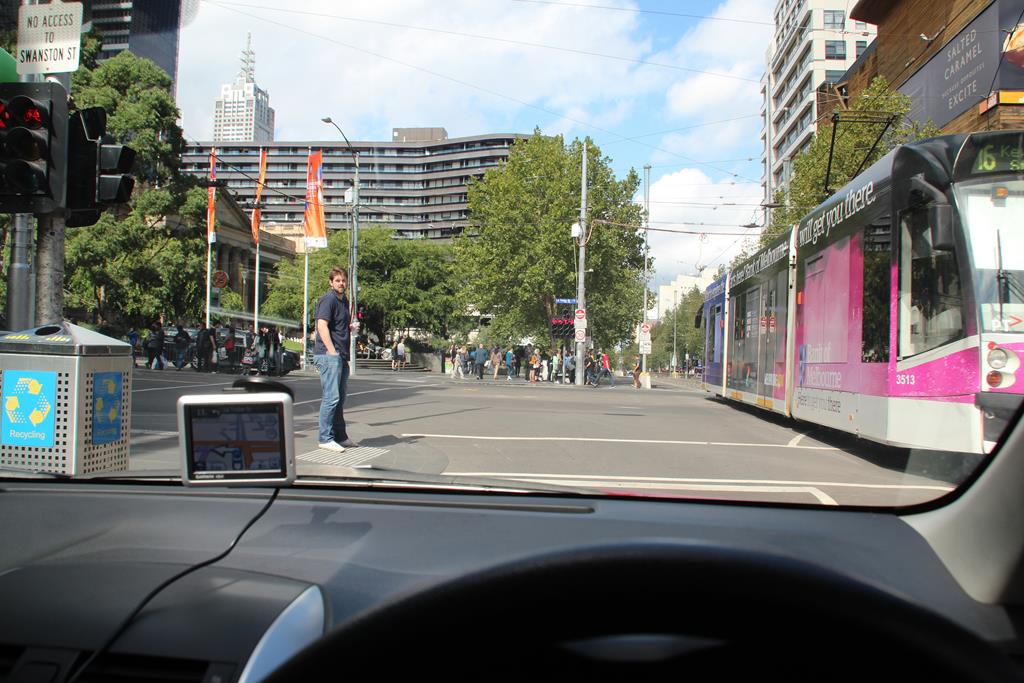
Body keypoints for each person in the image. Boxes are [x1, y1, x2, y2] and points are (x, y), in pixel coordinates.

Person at [313, 267, 359, 452]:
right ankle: (325, 438)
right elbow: (321, 325)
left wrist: (350, 328)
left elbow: (338, 326)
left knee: (339, 399)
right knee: (331, 398)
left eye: (343, 280)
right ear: (331, 282)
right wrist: (332, 351)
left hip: (341, 355)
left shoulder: (344, 301)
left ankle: (340, 436)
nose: (341, 283)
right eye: (338, 280)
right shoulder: (329, 300)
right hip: (328, 355)